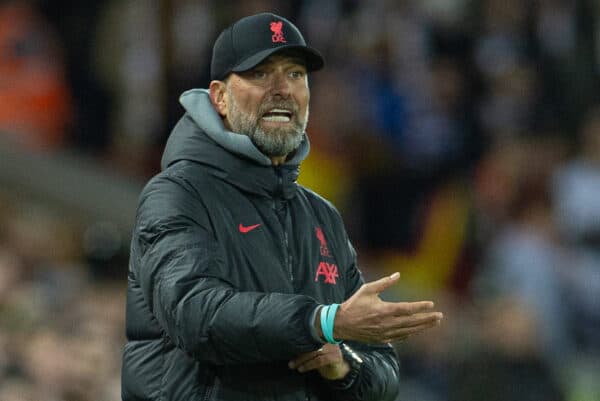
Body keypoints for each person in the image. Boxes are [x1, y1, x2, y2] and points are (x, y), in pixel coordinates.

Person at [121, 12, 443, 401]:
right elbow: (196, 315)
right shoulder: (177, 194)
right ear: (220, 97)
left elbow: (382, 371)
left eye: (295, 74)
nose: (282, 89)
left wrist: (342, 365)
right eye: (260, 74)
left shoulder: (321, 216)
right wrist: (322, 321)